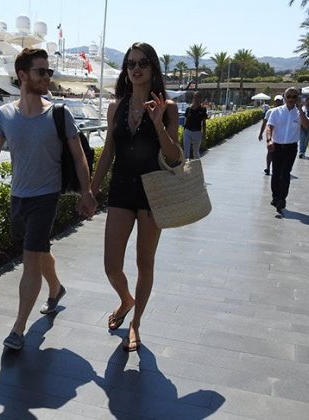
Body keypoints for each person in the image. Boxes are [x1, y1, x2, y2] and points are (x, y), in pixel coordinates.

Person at [0, 48, 97, 350]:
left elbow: (79, 157)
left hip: (47, 196)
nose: (47, 77)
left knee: (30, 258)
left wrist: (87, 192)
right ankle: (56, 288)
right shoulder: (5, 116)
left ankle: (18, 329)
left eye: (49, 72)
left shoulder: (59, 113)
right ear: (22, 75)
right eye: (40, 71)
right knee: (38, 249)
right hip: (18, 196)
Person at [90, 42, 182, 352]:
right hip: (121, 189)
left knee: (145, 262)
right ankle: (125, 300)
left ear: (153, 67)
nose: (136, 68)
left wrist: (158, 125)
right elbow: (108, 153)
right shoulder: (116, 107)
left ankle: (136, 323)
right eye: (130, 64)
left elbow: (174, 156)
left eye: (142, 63)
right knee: (111, 265)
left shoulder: (168, 107)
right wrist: (91, 190)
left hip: (152, 191)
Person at [266, 87, 309, 213]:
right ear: (284, 98)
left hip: (291, 147)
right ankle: (275, 196)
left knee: (285, 174)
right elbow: (269, 127)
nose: (291, 99)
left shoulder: (300, 112)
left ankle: (282, 199)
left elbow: (307, 125)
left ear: (298, 98)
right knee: (276, 173)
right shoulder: (276, 111)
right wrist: (269, 140)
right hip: (277, 146)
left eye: (294, 97)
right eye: (289, 96)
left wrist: (300, 110)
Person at [258, 94, 283, 175]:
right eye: (277, 101)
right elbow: (264, 123)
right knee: (270, 151)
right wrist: (261, 133)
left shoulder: (285, 111)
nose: (278, 103)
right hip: (271, 135)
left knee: (280, 153)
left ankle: (279, 169)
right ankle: (268, 168)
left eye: (280, 101)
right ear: (274, 102)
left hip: (281, 136)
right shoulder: (270, 111)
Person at [182, 91, 207, 160]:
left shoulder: (203, 109)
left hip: (197, 132)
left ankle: (197, 166)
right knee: (186, 153)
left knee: (195, 153)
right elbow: (185, 121)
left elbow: (204, 123)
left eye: (198, 97)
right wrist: (184, 131)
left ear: (201, 99)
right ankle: (186, 166)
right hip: (187, 132)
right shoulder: (188, 109)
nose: (196, 99)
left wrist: (204, 135)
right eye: (195, 97)